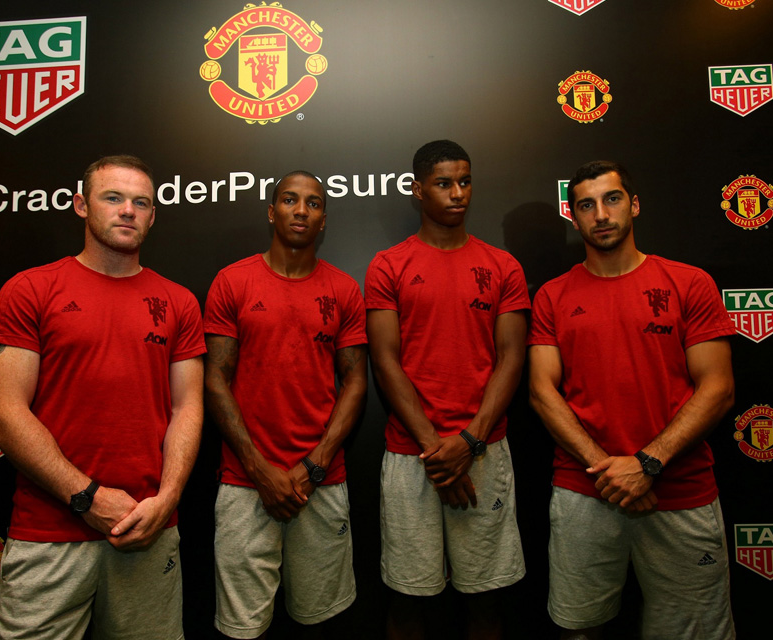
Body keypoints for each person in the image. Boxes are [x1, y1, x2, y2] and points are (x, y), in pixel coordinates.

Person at [0, 155, 205, 640]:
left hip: (148, 531)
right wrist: (86, 497)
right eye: (113, 198)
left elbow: (186, 407)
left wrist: (165, 501)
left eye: (140, 202)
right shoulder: (30, 290)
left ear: (153, 215)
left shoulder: (179, 301)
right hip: (49, 533)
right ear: (82, 205)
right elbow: (3, 413)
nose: (128, 210)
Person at [528, 160, 736, 640]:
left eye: (612, 199)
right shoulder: (553, 297)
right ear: (573, 217)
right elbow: (542, 392)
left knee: (695, 632)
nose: (601, 214)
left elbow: (718, 388)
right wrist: (609, 470)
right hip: (586, 490)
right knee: (579, 630)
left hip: (680, 492)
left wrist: (648, 464)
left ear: (634, 205)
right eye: (586, 205)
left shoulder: (689, 283)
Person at [365, 140, 528, 640]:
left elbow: (512, 357)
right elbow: (385, 361)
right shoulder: (388, 265)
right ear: (417, 190)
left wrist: (471, 441)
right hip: (413, 453)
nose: (457, 194)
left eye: (465, 181)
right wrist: (438, 451)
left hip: (484, 450)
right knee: (408, 603)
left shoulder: (503, 266)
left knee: (485, 601)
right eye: (443, 183)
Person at [203, 170, 368, 639]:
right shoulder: (232, 282)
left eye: (313, 203)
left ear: (324, 220)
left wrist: (314, 465)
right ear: (271, 211)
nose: (301, 210)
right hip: (244, 482)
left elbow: (356, 378)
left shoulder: (342, 289)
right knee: (242, 628)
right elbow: (215, 377)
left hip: (321, 481)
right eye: (290, 200)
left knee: (323, 620)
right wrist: (258, 469)